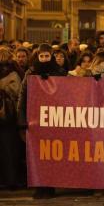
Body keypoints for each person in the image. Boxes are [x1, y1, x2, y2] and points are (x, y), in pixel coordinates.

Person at [17, 44, 66, 199]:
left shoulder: (59, 72)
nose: (44, 59)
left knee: (52, 155)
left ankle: (50, 185)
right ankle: (40, 186)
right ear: (37, 57)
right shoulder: (30, 73)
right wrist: (22, 120)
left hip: (54, 120)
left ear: (51, 56)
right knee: (37, 156)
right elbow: (22, 97)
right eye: (41, 56)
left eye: (47, 56)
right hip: (35, 121)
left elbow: (71, 90)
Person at [0, 47, 24, 188]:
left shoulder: (13, 73)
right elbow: (17, 92)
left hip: (7, 116)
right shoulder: (15, 73)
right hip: (9, 117)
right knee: (10, 151)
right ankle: (11, 180)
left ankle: (7, 180)